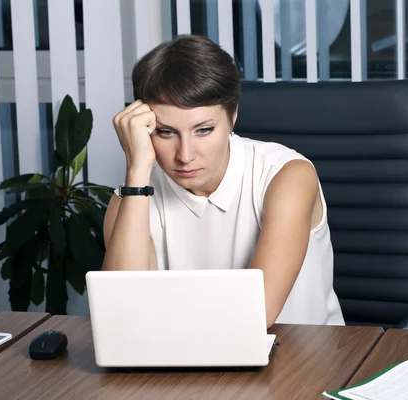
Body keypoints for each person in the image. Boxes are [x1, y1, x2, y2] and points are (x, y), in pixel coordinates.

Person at [102, 34, 345, 328]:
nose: (185, 155)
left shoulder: (287, 176)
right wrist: (138, 168)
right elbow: (121, 316)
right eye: (166, 132)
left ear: (233, 116)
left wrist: (156, 315)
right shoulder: (132, 196)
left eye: (203, 130)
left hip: (306, 362)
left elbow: (258, 314)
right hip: (183, 363)